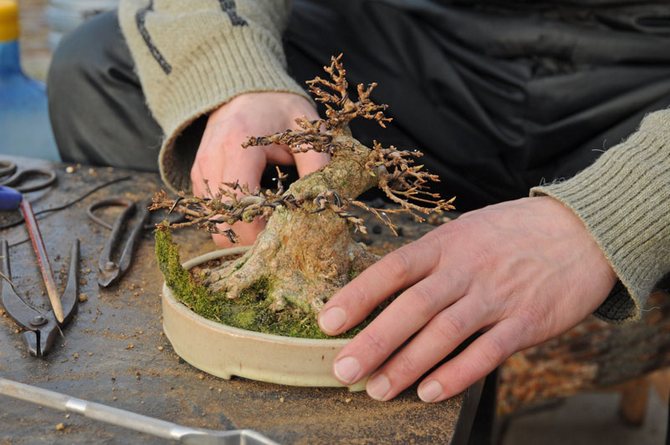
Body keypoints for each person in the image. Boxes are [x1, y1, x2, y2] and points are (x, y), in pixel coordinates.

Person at [48, 0, 670, 403]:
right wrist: (233, 77)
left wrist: (612, 215)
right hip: (414, 41)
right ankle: (325, 281)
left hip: (647, 79)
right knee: (99, 64)